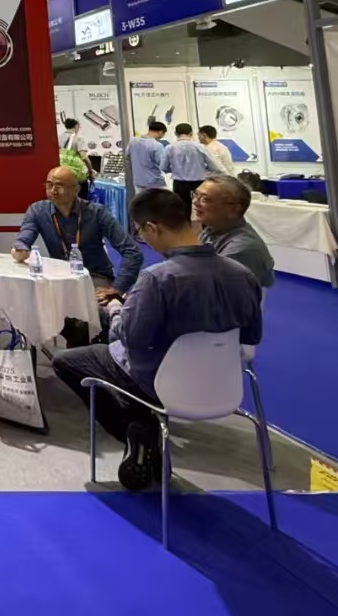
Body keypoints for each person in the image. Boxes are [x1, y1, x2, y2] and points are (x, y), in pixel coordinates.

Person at [52, 188, 262, 490]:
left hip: (159, 381)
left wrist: (116, 310)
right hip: (224, 385)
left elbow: (133, 340)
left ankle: (139, 428)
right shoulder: (243, 275)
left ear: (152, 227)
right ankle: (142, 428)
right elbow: (252, 335)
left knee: (70, 361)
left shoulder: (157, 278)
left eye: (140, 232)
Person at [12, 166, 144, 301]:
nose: (53, 191)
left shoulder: (97, 213)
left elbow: (132, 252)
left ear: (76, 190)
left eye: (59, 186)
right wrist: (20, 248)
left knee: (98, 307)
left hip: (94, 276)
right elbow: (24, 237)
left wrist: (118, 288)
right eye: (49, 185)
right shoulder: (38, 211)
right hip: (58, 276)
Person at [194, 175, 275, 288]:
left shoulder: (242, 248)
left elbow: (203, 286)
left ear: (234, 208)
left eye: (205, 199)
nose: (195, 202)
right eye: (195, 195)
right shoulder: (213, 230)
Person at [162, 122, 222, 205]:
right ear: (191, 133)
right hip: (198, 183)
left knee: (181, 207)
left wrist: (176, 169)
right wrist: (202, 169)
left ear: (176, 133)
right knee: (199, 206)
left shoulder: (169, 148)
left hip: (179, 184)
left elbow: (164, 167)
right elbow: (215, 166)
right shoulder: (200, 147)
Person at [127, 121, 169, 193]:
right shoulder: (157, 145)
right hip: (155, 183)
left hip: (138, 182)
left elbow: (127, 156)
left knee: (142, 200)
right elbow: (163, 165)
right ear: (161, 132)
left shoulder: (133, 141)